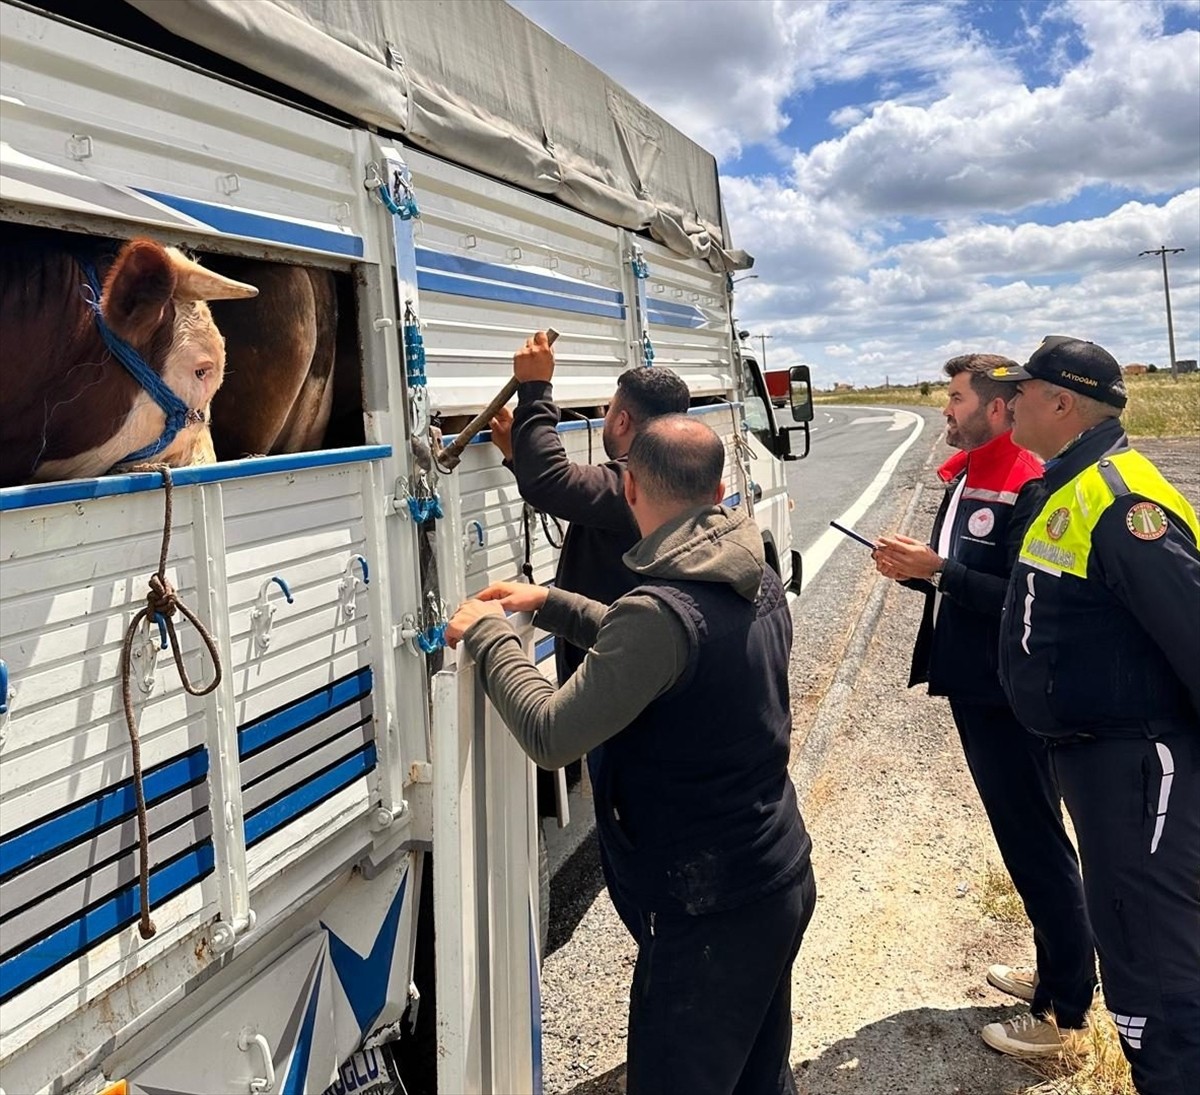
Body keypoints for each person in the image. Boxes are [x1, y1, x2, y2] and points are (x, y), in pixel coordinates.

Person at [448, 415, 816, 1095]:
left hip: (709, 911)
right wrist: (552, 603)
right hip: (774, 875)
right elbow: (654, 649)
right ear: (721, 487)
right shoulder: (750, 569)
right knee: (758, 1077)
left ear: (631, 486)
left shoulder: (662, 611)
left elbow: (552, 732)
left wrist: (491, 637)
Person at [988, 336, 1200, 1095]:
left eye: (1023, 388)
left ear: (1062, 401)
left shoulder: (1119, 499)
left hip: (1137, 765)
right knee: (1127, 932)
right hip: (1096, 758)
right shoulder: (1071, 483)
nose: (1008, 401)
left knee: (1154, 960)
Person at [873, 353, 1096, 1058]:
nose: (946, 407)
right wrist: (920, 573)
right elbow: (965, 574)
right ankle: (1055, 968)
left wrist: (939, 572)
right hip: (977, 684)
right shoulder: (974, 471)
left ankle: (1064, 1012)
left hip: (1009, 694)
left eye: (956, 396)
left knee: (1036, 841)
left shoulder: (1026, 483)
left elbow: (1022, 599)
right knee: (1025, 837)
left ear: (997, 409)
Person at [489, 331, 691, 935]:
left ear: (624, 421)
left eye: (606, 410)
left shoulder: (633, 483)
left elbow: (556, 485)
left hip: (623, 693)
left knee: (628, 807)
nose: (603, 417)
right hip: (639, 679)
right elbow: (573, 498)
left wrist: (536, 390)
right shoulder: (661, 483)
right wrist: (514, 452)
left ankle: (654, 911)